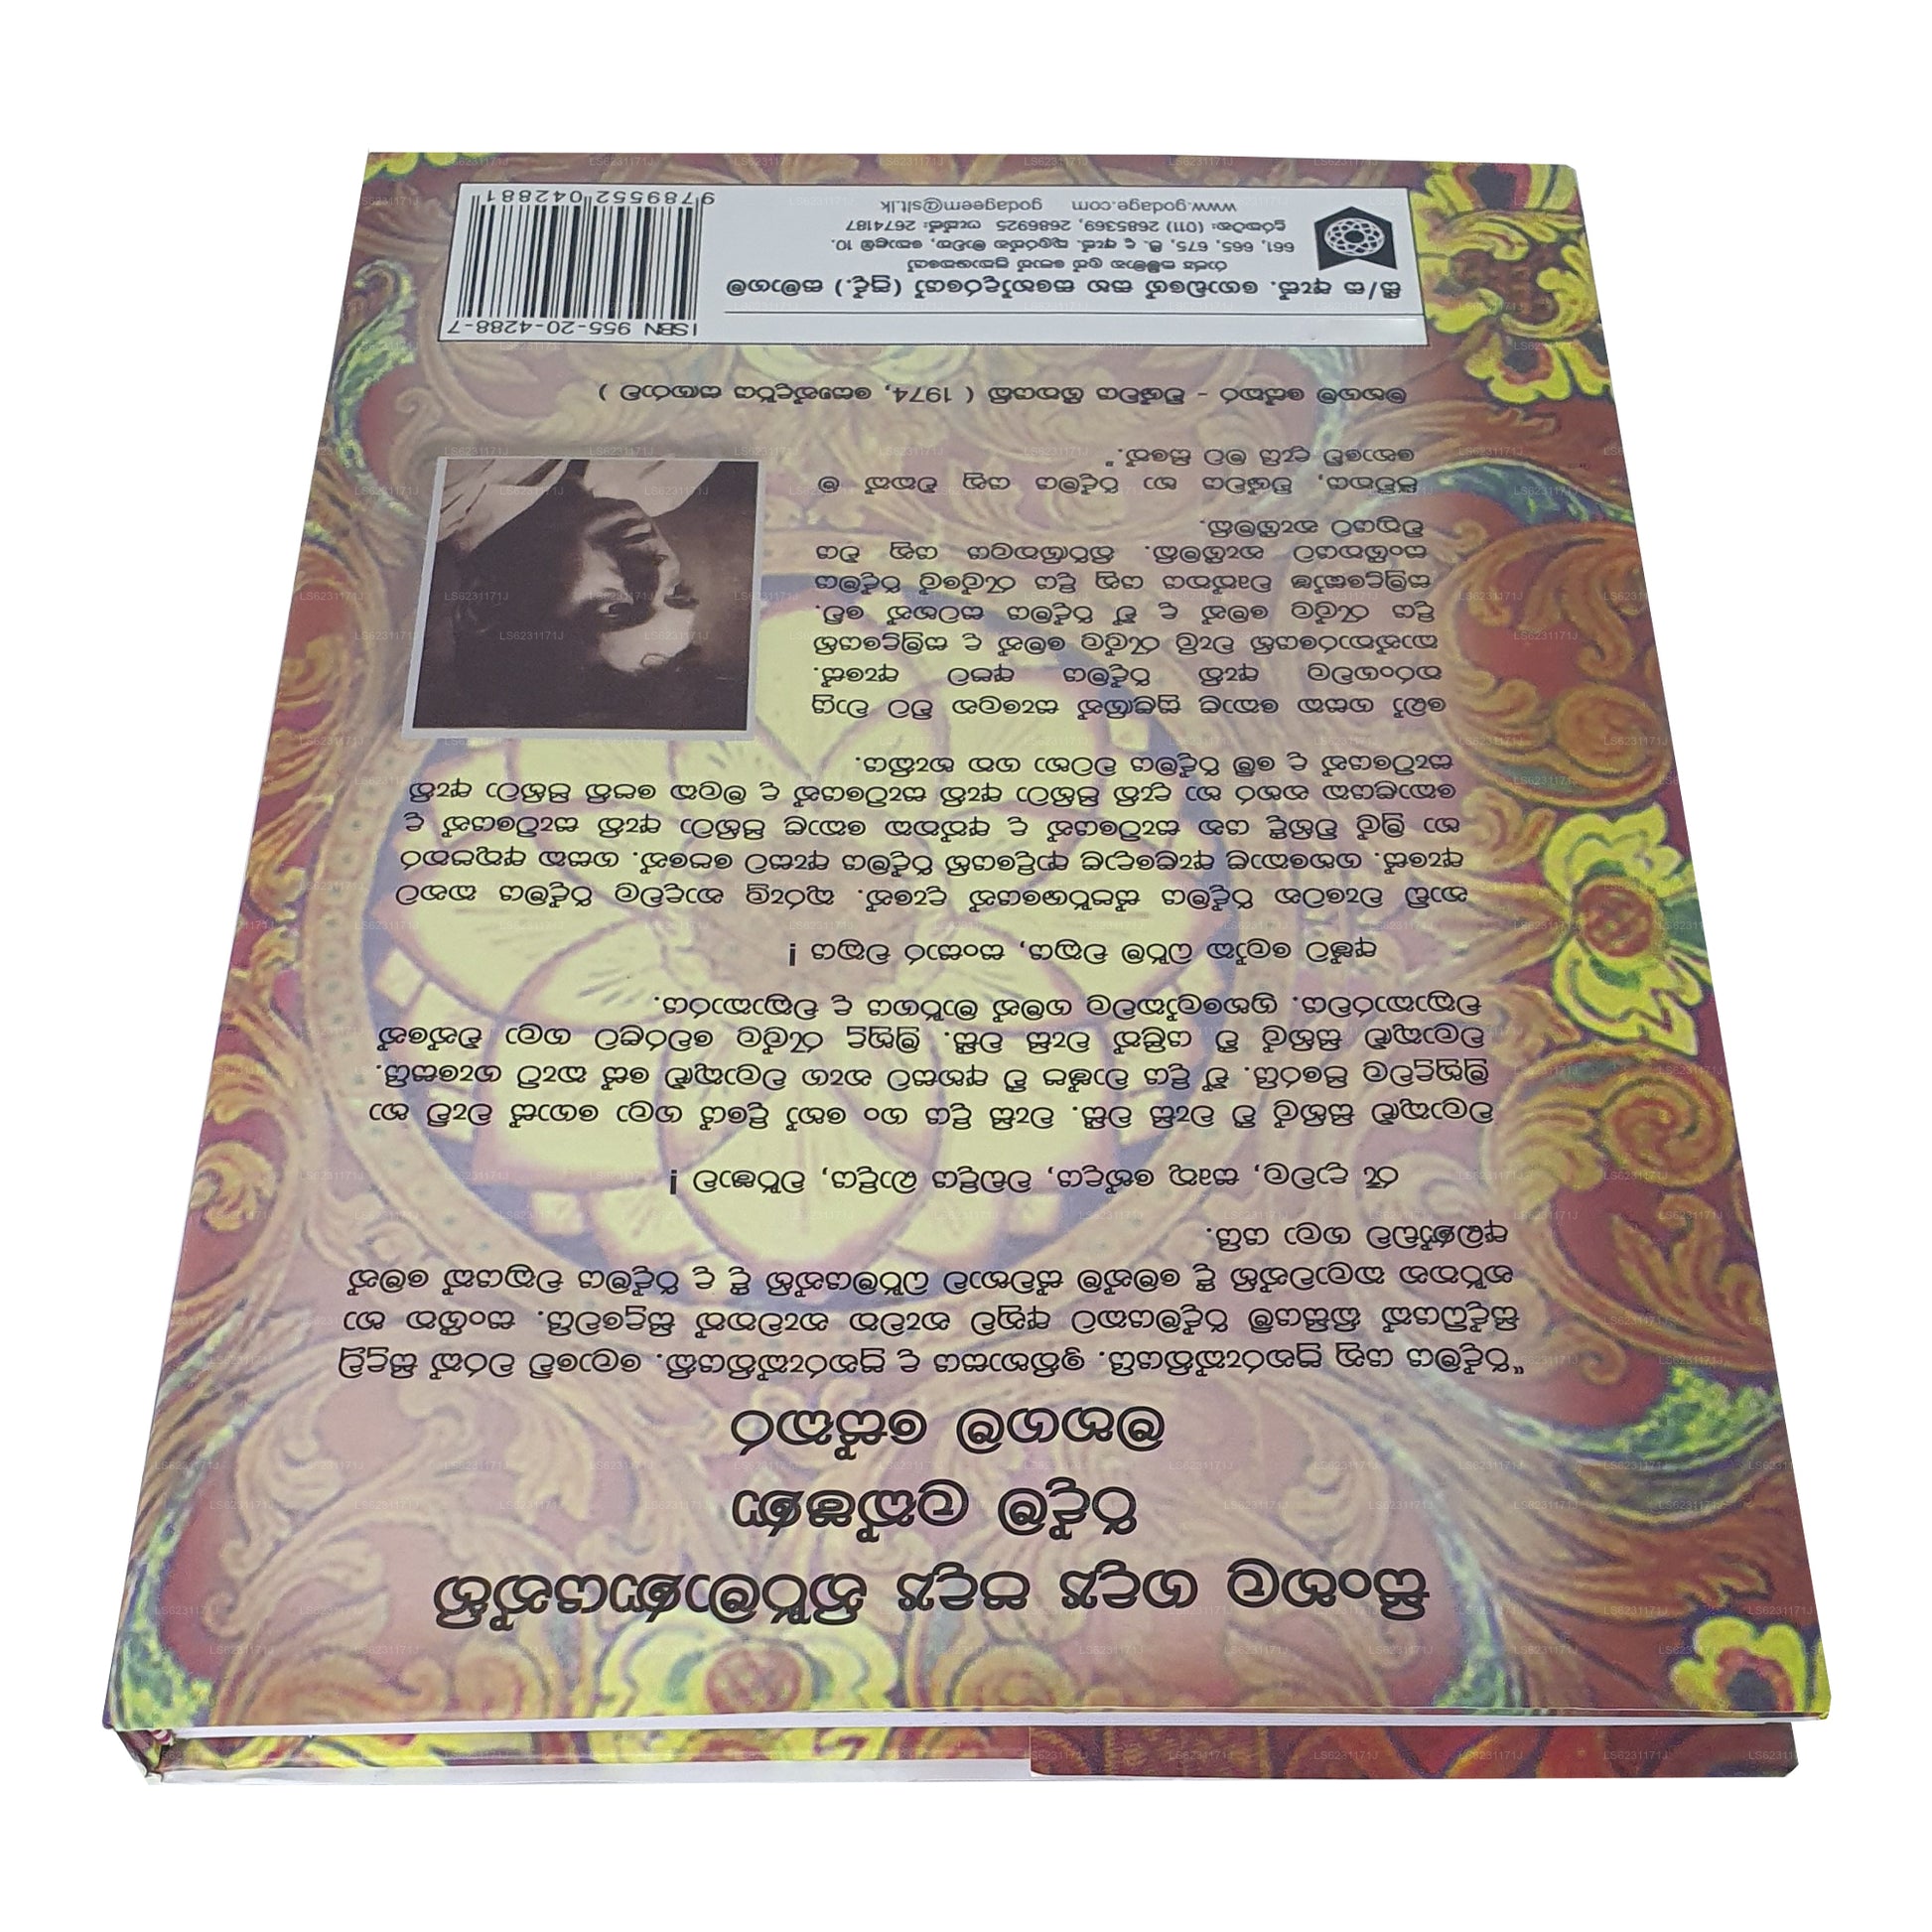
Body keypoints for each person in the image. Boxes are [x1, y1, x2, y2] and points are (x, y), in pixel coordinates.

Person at [413, 458, 749, 731]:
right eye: (675, 593)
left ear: (485, 606)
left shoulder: (435, 485)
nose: (660, 566)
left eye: (616, 608)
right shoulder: (669, 476)